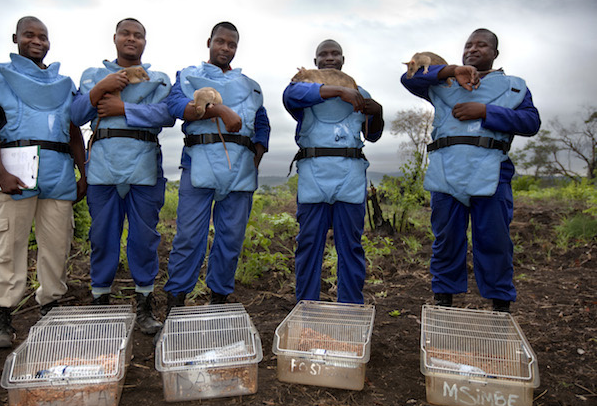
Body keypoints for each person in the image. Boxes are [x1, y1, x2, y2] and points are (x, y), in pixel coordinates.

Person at [401, 28, 541, 312]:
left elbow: (531, 122)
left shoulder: (514, 86)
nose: (473, 49)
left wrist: (486, 112)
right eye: (468, 45)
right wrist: (452, 69)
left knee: (494, 241)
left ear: (495, 53)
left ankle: (500, 307)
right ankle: (444, 301)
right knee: (446, 240)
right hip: (446, 171)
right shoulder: (446, 83)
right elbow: (409, 78)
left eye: (481, 45)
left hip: (491, 171)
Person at [0, 16, 87, 349]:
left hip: (58, 171)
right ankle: (3, 317)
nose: (37, 41)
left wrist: (85, 172)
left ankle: (50, 310)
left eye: (43, 36)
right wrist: (1, 173)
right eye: (29, 35)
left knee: (56, 245)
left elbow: (74, 131)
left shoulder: (64, 83)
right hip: (16, 171)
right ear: (16, 38)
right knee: (9, 245)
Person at [71, 18, 174, 335]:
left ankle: (144, 306)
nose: (132, 39)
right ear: (115, 38)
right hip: (103, 167)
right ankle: (100, 303)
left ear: (145, 41)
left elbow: (167, 115)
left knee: (144, 239)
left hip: (143, 167)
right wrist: (101, 89)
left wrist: (120, 108)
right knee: (102, 237)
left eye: (138, 35)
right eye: (126, 34)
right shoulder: (92, 75)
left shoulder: (158, 79)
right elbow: (75, 116)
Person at [162, 21, 270, 314]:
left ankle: (218, 304)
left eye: (232, 44)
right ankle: (176, 305)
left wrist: (255, 158)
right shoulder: (188, 76)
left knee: (231, 239)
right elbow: (175, 106)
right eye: (220, 42)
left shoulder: (250, 86)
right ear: (209, 42)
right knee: (188, 237)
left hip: (240, 171)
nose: (225, 48)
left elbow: (261, 124)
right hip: (199, 165)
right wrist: (217, 110)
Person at [283, 39, 384, 305]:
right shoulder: (302, 88)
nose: (329, 58)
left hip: (349, 175)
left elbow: (372, 135)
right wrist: (340, 91)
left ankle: (350, 310)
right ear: (315, 62)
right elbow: (288, 96)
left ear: (343, 59)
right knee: (308, 246)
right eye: (323, 55)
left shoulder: (361, 92)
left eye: (334, 53)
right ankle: (307, 309)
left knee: (350, 247)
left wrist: (378, 113)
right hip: (314, 176)